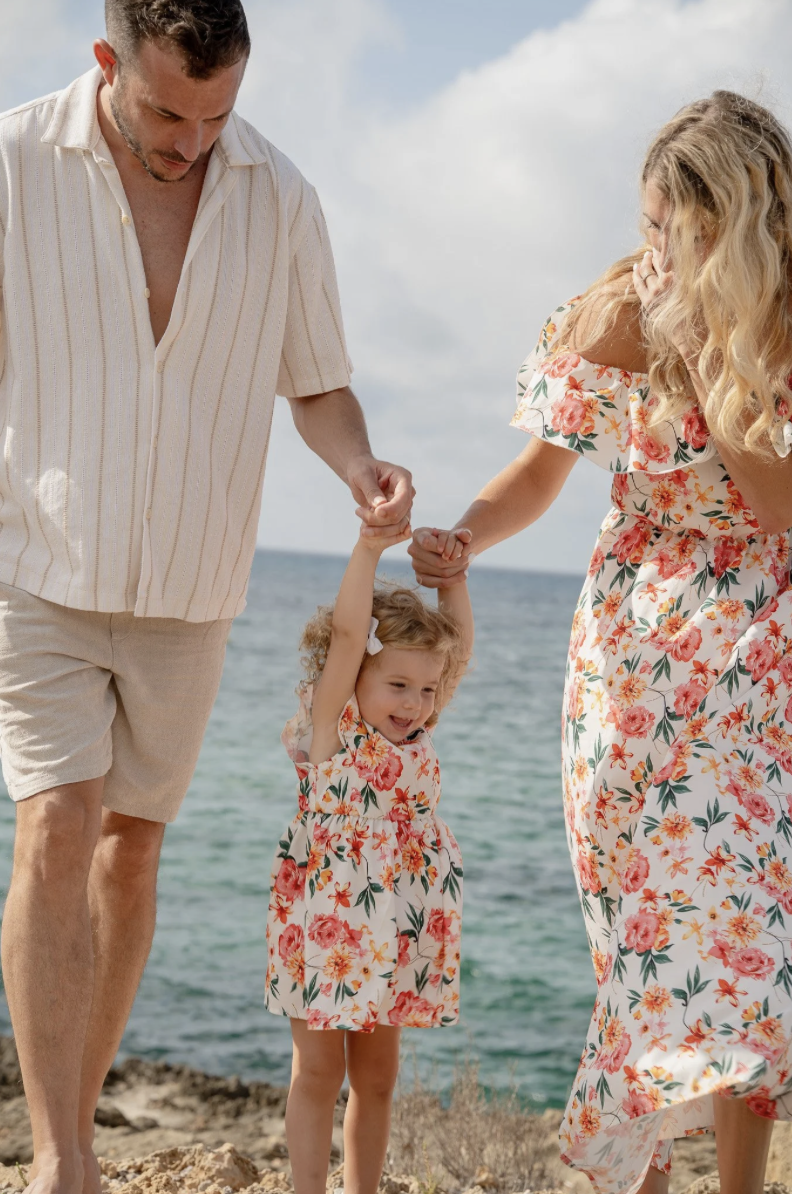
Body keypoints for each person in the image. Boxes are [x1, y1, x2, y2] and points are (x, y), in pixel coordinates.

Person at [0, 4, 412, 1194]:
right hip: (36, 563)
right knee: (56, 822)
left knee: (131, 852)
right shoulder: (16, 165)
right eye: (168, 112)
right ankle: (61, 1156)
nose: (192, 141)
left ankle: (78, 1121)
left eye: (217, 115)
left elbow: (318, 383)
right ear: (107, 62)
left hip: (193, 580)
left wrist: (360, 466)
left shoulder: (280, 197)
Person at [408, 90, 792, 1194]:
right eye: (646, 222)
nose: (652, 249)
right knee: (639, 945)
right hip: (630, 655)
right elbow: (540, 472)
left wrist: (710, 346)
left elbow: (777, 502)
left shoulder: (779, 319)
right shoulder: (617, 311)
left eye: (676, 228)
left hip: (757, 657)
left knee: (749, 946)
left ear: (739, 222)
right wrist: (465, 537)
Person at [265, 523, 473, 1194]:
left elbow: (457, 652)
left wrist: (454, 579)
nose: (415, 703)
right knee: (319, 1070)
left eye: (426, 691)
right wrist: (368, 548)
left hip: (397, 924)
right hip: (328, 921)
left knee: (378, 1076)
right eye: (398, 685)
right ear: (355, 676)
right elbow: (352, 633)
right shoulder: (335, 727)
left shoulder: (416, 732)